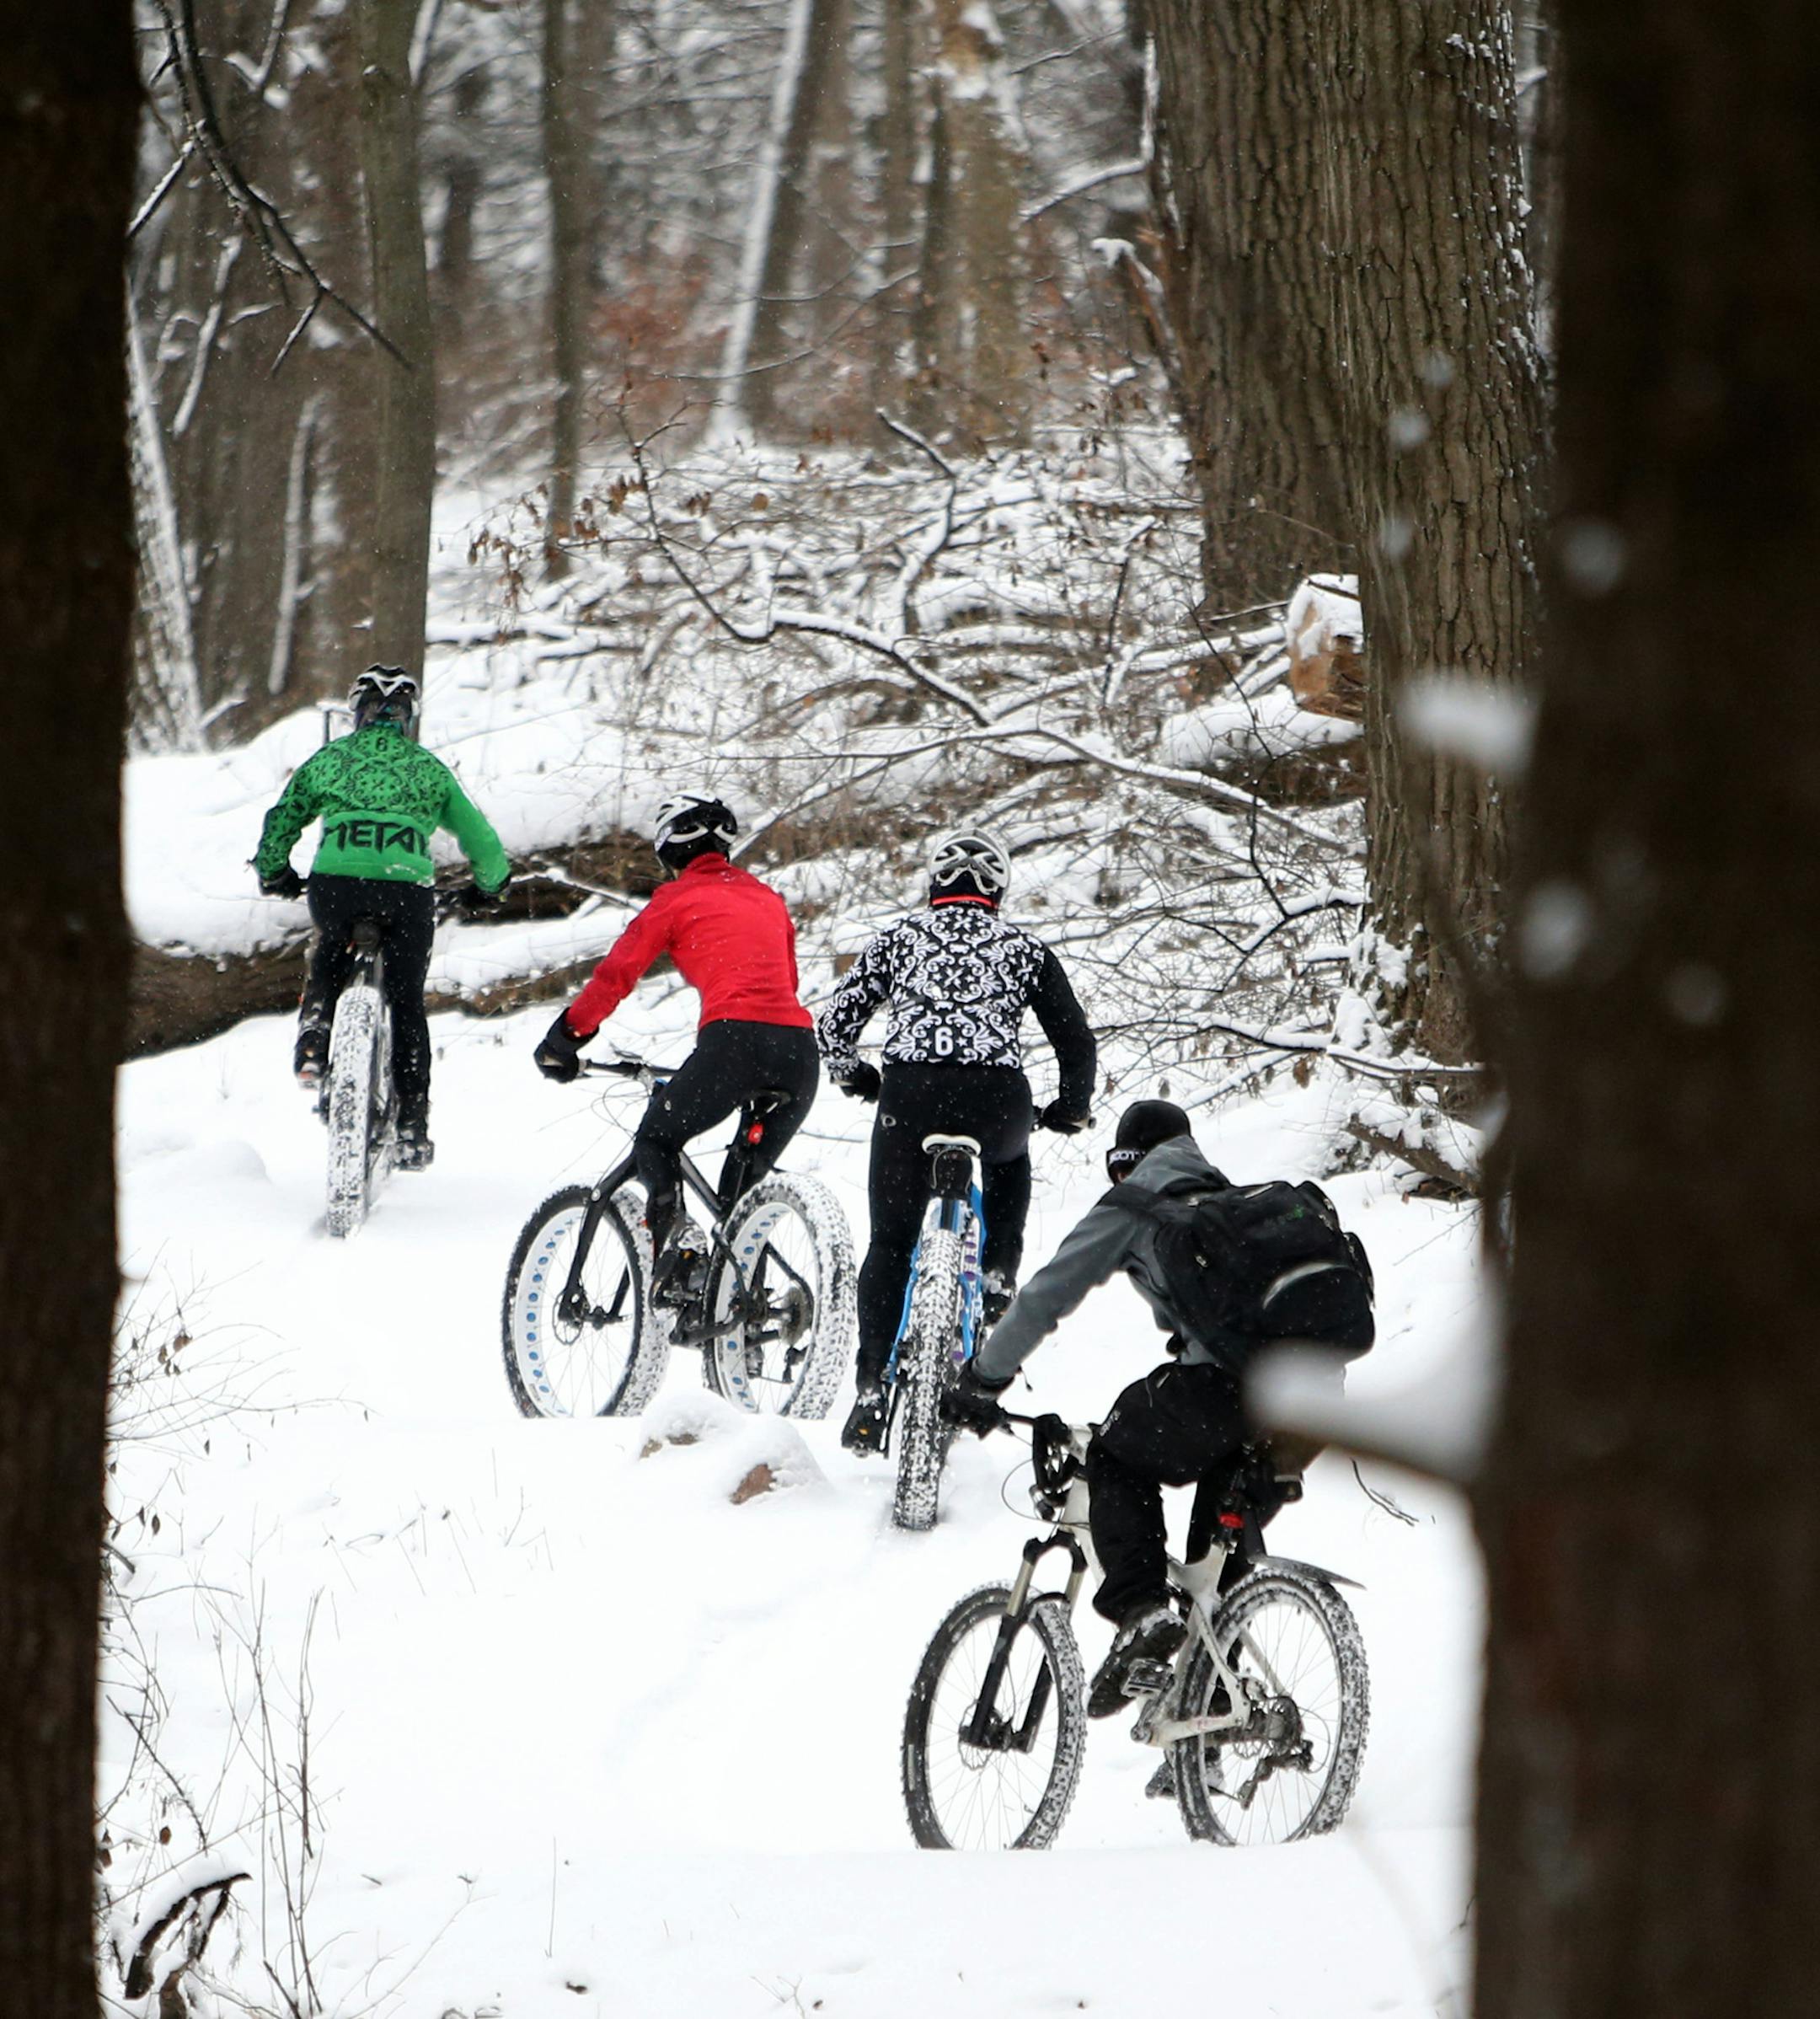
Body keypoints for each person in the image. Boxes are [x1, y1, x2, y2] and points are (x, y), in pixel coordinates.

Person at [948, 1098, 1373, 1720]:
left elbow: (1045, 1296)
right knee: (1215, 1563)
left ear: (1124, 1163)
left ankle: (1142, 1614)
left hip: (1227, 1390)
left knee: (1116, 1452)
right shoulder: (1237, 1203)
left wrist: (982, 1380)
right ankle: (1212, 1720)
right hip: (1313, 1405)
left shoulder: (1135, 1201)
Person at [816, 827, 1096, 1456]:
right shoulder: (1024, 948)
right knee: (1008, 1163)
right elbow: (1076, 1042)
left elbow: (834, 1026)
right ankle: (998, 1275)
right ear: (998, 890)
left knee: (890, 1243)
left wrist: (857, 1076)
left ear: (935, 884)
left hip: (909, 1099)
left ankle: (868, 1390)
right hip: (998, 1100)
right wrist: (1070, 1109)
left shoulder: (899, 938)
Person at [533, 794, 818, 1283]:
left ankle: (679, 1242)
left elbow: (617, 975)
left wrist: (566, 1037)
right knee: (740, 1203)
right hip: (798, 1053)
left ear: (668, 852)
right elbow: (784, 984)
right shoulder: (768, 900)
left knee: (657, 1138)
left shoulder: (676, 899)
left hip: (733, 1044)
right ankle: (742, 1313)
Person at [254, 667, 511, 1170]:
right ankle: (413, 1126)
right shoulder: (427, 768)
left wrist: (274, 871)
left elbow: (284, 816)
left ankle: (313, 1039)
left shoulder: (331, 759)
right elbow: (480, 839)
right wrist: (491, 885)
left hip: (337, 883)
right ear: (407, 719)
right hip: (405, 887)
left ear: (358, 714)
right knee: (406, 1000)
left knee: (330, 949)